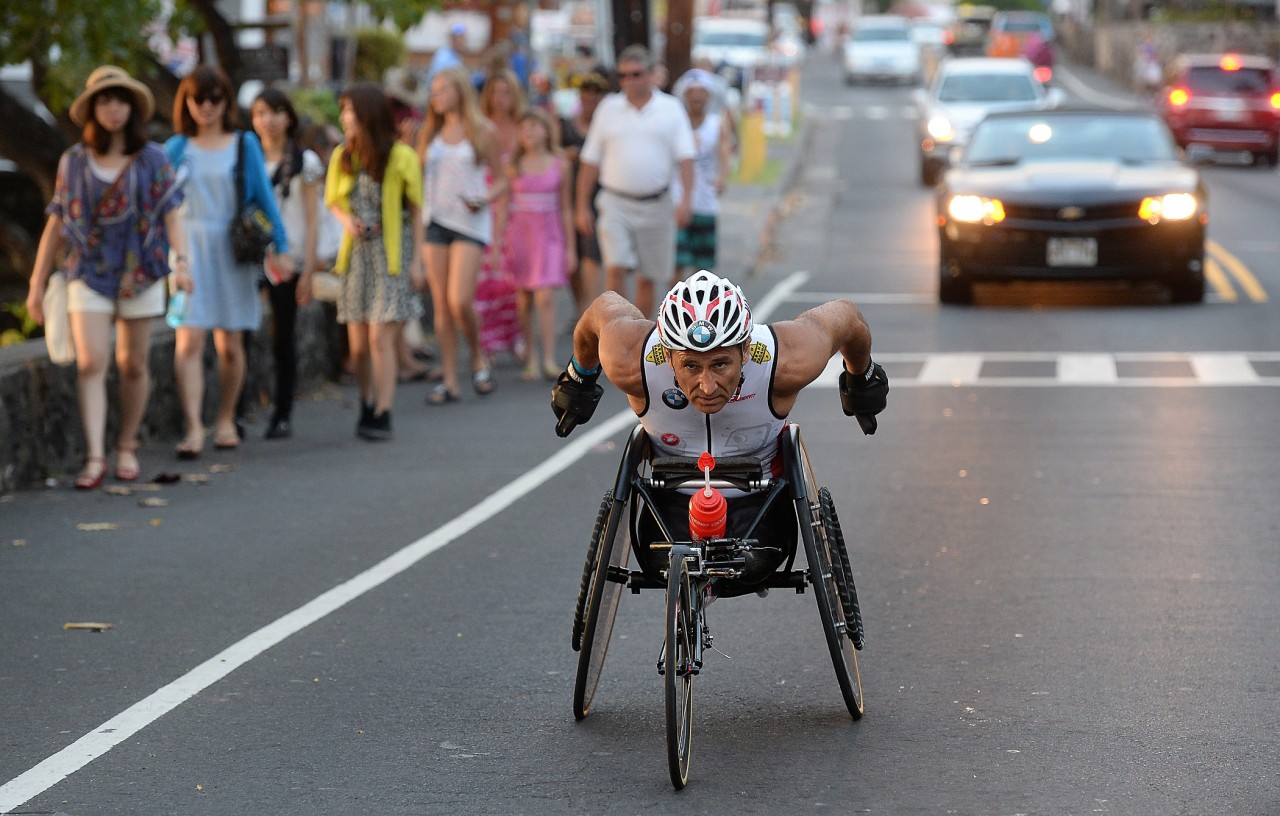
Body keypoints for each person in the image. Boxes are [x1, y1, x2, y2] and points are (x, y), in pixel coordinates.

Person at [550, 270, 888, 595]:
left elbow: (847, 317)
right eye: (691, 366)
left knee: (752, 560)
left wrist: (861, 380)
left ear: (745, 352)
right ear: (668, 357)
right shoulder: (632, 361)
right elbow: (602, 309)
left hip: (763, 521)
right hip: (664, 517)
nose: (707, 386)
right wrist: (579, 377)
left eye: (721, 364)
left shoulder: (784, 361)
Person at [25, 65, 190, 489]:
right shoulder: (74, 161)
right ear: (92, 107)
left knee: (133, 363)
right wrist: (37, 282)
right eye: (104, 100)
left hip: (142, 270)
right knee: (92, 361)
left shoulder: (152, 158)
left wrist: (182, 261)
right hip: (88, 271)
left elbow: (173, 215)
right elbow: (57, 224)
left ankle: (126, 445)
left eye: (120, 101)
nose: (113, 109)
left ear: (132, 108)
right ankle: (96, 455)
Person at [165, 65, 290, 459]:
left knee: (231, 342)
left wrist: (282, 245)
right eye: (198, 98)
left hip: (233, 247)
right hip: (188, 245)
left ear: (226, 101)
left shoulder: (243, 144)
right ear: (186, 102)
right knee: (189, 339)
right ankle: (192, 426)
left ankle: (224, 417)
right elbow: (158, 206)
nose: (206, 106)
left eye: (214, 98)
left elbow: (265, 199)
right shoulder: (176, 148)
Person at [326, 82, 425, 440]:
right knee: (357, 345)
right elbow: (334, 200)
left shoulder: (401, 156)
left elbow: (416, 210)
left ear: (365, 114)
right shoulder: (343, 156)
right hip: (356, 257)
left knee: (380, 338)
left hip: (391, 256)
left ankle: (384, 411)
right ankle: (367, 401)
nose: (344, 118)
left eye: (349, 111)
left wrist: (418, 263)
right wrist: (346, 220)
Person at [576, 45, 696, 319]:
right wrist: (581, 205)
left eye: (636, 74)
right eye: (623, 75)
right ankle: (616, 330)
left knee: (648, 275)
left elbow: (686, 158)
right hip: (616, 201)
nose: (629, 81)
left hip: (657, 202)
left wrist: (686, 199)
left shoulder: (670, 107)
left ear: (650, 75)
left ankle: (638, 338)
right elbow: (590, 160)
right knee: (615, 266)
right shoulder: (608, 108)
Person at [416, 66, 508, 405]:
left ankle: (478, 355)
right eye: (433, 90)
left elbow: (501, 179)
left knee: (459, 300)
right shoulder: (429, 131)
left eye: (442, 89)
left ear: (459, 91)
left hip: (470, 222)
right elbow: (417, 176)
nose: (435, 96)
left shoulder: (482, 130)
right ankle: (450, 379)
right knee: (440, 304)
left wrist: (483, 198)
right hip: (435, 219)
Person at [249, 88, 325, 440]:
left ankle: (282, 411)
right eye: (262, 112)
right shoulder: (246, 158)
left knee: (283, 336)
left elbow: (313, 219)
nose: (269, 120)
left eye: (277, 112)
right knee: (241, 335)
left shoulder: (304, 162)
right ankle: (237, 410)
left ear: (289, 118)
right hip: (249, 257)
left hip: (288, 258)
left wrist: (308, 269)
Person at [500, 108, 574, 380]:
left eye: (534, 126)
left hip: (550, 236)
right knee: (523, 299)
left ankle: (549, 357)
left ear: (546, 129)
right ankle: (530, 356)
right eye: (523, 127)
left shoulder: (560, 162)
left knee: (545, 297)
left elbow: (566, 208)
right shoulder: (512, 164)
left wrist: (570, 248)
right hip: (520, 236)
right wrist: (498, 245)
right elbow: (505, 204)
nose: (528, 132)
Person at [476, 69, 529, 366]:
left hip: (520, 210)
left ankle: (516, 338)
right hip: (488, 206)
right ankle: (487, 343)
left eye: (506, 91)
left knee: (514, 280)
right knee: (486, 281)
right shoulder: (481, 127)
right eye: (495, 92)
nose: (500, 98)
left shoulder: (524, 126)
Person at [670, 69, 734, 287]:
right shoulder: (676, 123)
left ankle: (701, 315)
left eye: (701, 92)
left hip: (706, 202)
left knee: (703, 270)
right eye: (692, 92)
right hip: (677, 201)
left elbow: (725, 153)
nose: (696, 97)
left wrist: (722, 178)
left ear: (709, 96)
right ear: (685, 95)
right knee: (675, 265)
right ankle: (673, 313)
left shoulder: (717, 124)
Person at [559, 70, 608, 322]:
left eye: (595, 97)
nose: (591, 101)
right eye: (586, 97)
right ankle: (580, 304)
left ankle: (588, 310)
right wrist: (565, 154)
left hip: (599, 195)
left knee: (592, 253)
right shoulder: (566, 124)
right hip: (568, 195)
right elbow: (552, 151)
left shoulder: (605, 126)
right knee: (573, 257)